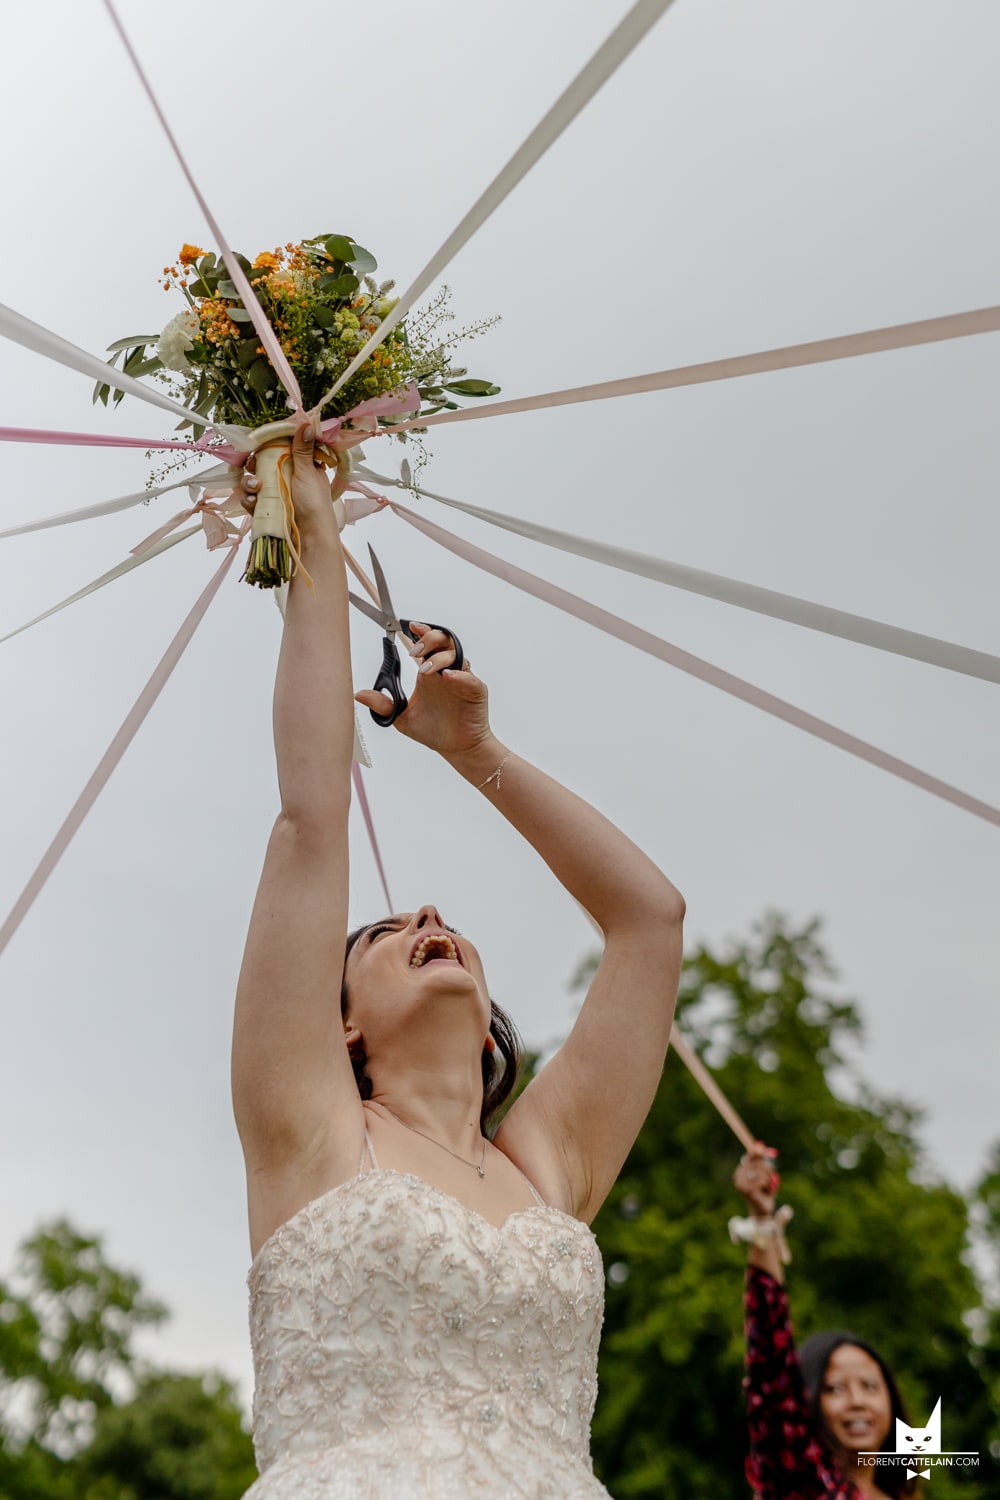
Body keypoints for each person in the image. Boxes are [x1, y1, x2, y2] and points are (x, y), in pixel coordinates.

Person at [230, 422, 686, 1499]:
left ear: (488, 1021)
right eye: (384, 935)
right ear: (338, 1024)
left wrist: (476, 754)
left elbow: (648, 921)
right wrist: (318, 536)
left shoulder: (547, 1165)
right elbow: (311, 818)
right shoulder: (306, 1132)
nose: (423, 913)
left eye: (436, 927)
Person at [734, 1145, 913, 1500]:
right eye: (835, 1389)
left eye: (869, 1386)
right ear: (808, 1401)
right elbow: (771, 1361)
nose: (857, 1401)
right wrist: (762, 1222)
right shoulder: (803, 1480)